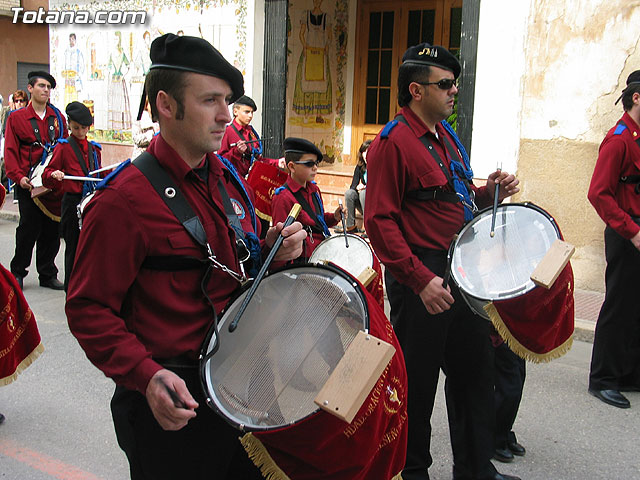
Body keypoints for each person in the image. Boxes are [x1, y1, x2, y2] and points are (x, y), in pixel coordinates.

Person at [65, 33, 306, 480]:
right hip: (175, 403)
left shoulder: (224, 176)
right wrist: (145, 375)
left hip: (242, 386)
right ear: (166, 105)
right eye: (210, 100)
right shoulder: (122, 201)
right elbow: (87, 308)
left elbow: (235, 267)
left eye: (228, 100)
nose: (224, 116)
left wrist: (275, 247)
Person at [364, 42, 521, 480]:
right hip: (424, 275)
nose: (454, 91)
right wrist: (418, 280)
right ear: (416, 90)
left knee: (475, 374)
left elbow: (456, 196)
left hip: (461, 272)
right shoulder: (392, 143)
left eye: (456, 83)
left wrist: (489, 193)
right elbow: (380, 222)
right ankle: (413, 472)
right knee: (418, 387)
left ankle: (475, 469)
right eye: (445, 84)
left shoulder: (445, 135)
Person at [587, 69, 640, 409]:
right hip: (626, 233)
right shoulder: (619, 139)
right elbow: (599, 194)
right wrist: (632, 232)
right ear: (637, 97)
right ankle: (603, 378)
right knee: (619, 306)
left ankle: (629, 374)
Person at [4, 72, 67, 291]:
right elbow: (10, 151)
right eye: (41, 86)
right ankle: (18, 272)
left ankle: (47, 273)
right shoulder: (17, 118)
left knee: (52, 229)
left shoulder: (57, 117)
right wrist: (18, 177)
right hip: (28, 182)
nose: (46, 90)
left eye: (49, 86)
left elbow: (65, 148)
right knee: (28, 228)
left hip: (51, 183)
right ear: (30, 88)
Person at [42, 101, 102, 291]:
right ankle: (71, 288)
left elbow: (99, 174)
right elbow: (47, 174)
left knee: (92, 247)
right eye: (76, 128)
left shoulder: (94, 149)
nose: (80, 132)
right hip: (72, 202)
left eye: (84, 128)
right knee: (73, 247)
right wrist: (54, 174)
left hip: (90, 202)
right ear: (69, 125)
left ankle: (88, 286)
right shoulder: (63, 147)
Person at [271, 137, 343, 261]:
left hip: (321, 253)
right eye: (309, 164)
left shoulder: (314, 190)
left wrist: (334, 217)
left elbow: (318, 222)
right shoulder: (283, 197)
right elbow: (283, 242)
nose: (315, 167)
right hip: (303, 262)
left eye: (316, 163)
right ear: (292, 167)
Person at [217, 94, 285, 178]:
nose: (250, 116)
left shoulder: (251, 132)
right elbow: (220, 161)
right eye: (247, 112)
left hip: (252, 180)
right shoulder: (227, 132)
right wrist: (236, 152)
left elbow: (258, 160)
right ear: (235, 112)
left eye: (252, 112)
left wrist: (277, 162)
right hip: (234, 181)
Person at [492, 335, 526, 463]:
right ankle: (494, 437)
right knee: (510, 384)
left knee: (518, 375)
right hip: (500, 328)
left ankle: (503, 432)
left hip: (516, 329)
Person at [334, 139, 370, 234]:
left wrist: (366, 187)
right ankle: (350, 226)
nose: (366, 155)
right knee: (349, 193)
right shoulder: (359, 167)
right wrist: (357, 187)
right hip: (362, 203)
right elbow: (353, 186)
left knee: (363, 193)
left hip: (373, 205)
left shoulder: (378, 166)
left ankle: (369, 228)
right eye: (364, 152)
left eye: (368, 151)